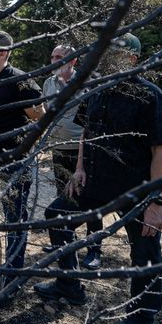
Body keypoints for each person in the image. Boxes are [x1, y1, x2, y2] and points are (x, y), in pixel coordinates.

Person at [34, 33, 162, 324]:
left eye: (117, 54)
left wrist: (155, 202)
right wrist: (79, 168)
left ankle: (140, 317)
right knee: (57, 216)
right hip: (95, 182)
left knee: (145, 252)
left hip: (137, 190)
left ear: (133, 59)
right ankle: (69, 285)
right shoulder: (97, 91)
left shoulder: (150, 95)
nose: (108, 60)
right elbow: (86, 133)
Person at [0, 30, 45, 271]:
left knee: (14, 219)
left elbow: (41, 118)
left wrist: (23, 150)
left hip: (14, 163)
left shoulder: (22, 81)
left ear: (2, 53)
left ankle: (12, 272)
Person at [43, 44, 103, 270]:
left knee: (88, 199)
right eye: (52, 56)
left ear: (73, 61)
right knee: (63, 196)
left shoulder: (85, 83)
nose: (55, 60)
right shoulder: (48, 83)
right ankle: (63, 241)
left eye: (60, 57)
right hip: (57, 148)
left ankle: (94, 248)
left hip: (81, 151)